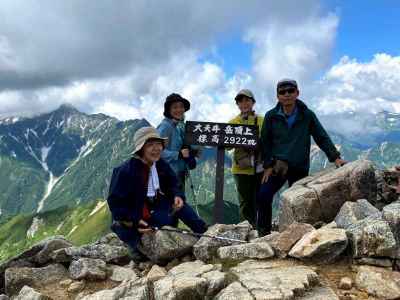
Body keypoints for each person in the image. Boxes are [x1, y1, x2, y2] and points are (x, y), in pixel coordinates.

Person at [257, 79, 347, 235]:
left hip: (299, 166)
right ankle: (263, 234)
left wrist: (335, 157)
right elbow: (265, 142)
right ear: (277, 96)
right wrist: (268, 165)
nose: (287, 95)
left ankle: (297, 235)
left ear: (297, 93)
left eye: (290, 91)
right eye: (282, 92)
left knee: (299, 203)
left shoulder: (307, 115)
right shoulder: (271, 116)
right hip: (278, 166)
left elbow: (321, 137)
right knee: (263, 195)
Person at [107, 126, 207, 261]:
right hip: (135, 212)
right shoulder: (125, 171)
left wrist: (177, 196)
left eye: (158, 144)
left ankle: (204, 233)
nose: (156, 148)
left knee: (181, 208)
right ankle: (132, 240)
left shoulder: (159, 164)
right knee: (151, 234)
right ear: (141, 149)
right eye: (150, 145)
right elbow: (115, 203)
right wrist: (133, 221)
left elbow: (173, 183)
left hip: (154, 204)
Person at [229, 89, 264, 227]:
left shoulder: (262, 120)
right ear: (237, 104)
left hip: (260, 167)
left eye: (247, 100)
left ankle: (260, 228)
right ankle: (246, 229)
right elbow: (226, 146)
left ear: (253, 102)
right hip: (241, 169)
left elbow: (268, 140)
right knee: (245, 202)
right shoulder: (233, 122)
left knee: (259, 199)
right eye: (240, 101)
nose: (244, 103)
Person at [157, 93, 198, 191]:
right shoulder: (165, 127)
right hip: (168, 176)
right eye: (175, 107)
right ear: (169, 110)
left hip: (178, 173)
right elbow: (157, 151)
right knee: (173, 204)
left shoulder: (177, 128)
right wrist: (178, 154)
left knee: (179, 203)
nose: (179, 110)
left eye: (181, 107)